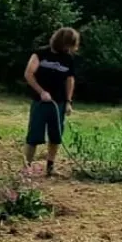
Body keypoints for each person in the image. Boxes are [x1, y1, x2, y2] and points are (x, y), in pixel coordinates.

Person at [23, 27, 80, 176]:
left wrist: (68, 101)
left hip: (59, 103)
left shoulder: (68, 59)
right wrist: (41, 92)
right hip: (40, 103)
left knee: (56, 136)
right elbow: (29, 74)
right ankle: (26, 168)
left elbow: (70, 79)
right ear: (61, 42)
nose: (70, 48)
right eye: (68, 45)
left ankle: (50, 167)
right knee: (34, 136)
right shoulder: (40, 54)